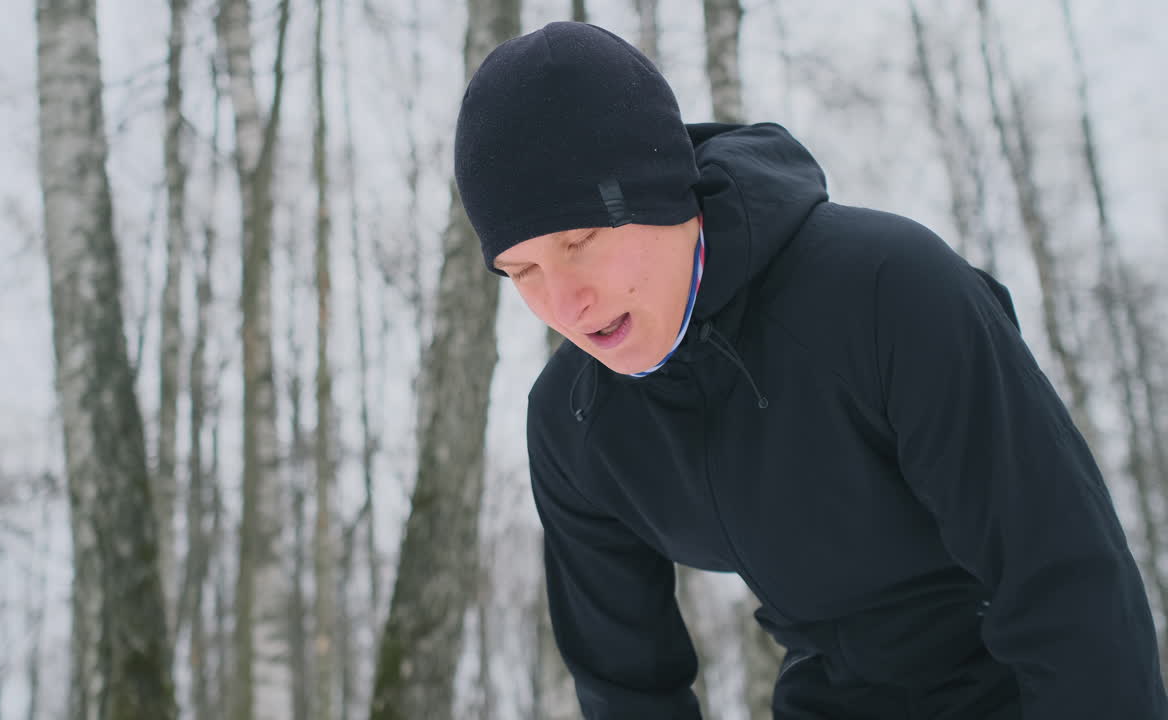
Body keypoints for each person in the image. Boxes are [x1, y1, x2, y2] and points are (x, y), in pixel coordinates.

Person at [453, 20, 1166, 720]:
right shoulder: (573, 423)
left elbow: (1064, 584)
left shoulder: (889, 292)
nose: (564, 303)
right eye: (522, 271)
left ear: (663, 192)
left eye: (579, 241)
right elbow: (626, 687)